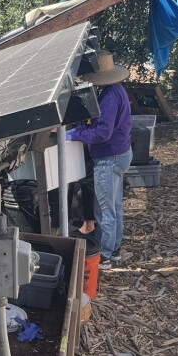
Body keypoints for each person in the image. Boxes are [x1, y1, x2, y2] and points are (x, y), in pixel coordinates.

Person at [66, 51, 132, 269]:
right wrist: (83, 128)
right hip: (120, 153)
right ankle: (114, 249)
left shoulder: (110, 97)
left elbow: (103, 133)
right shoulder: (116, 90)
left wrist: (76, 135)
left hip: (109, 156)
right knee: (114, 205)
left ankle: (103, 254)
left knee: (104, 209)